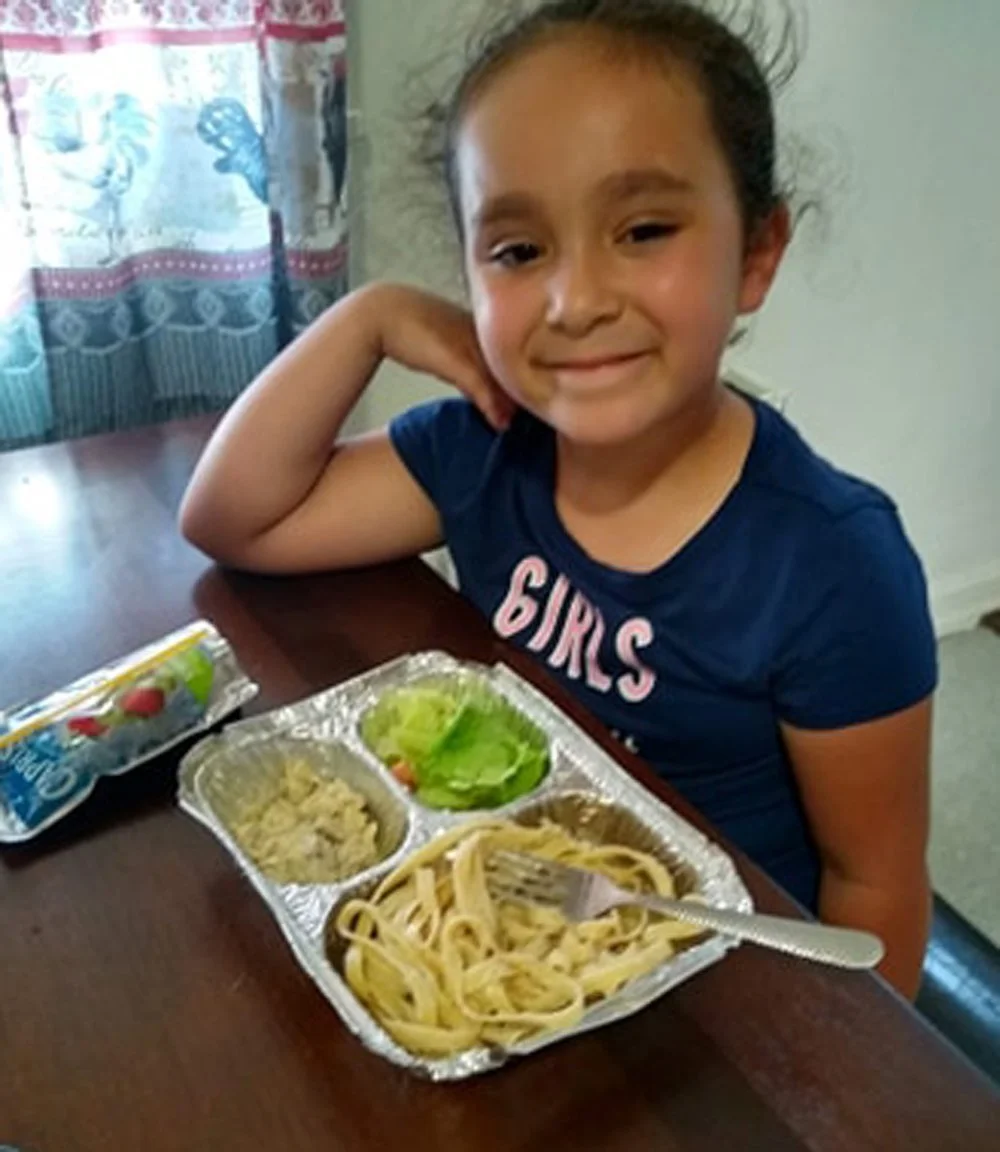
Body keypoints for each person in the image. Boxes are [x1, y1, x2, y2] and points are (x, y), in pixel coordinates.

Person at [179, 0, 936, 998]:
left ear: (754, 253)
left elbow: (873, 886)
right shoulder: (485, 453)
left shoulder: (833, 565)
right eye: (517, 251)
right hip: (514, 929)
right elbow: (234, 519)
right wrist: (374, 317)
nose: (575, 301)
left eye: (645, 228)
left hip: (719, 993)